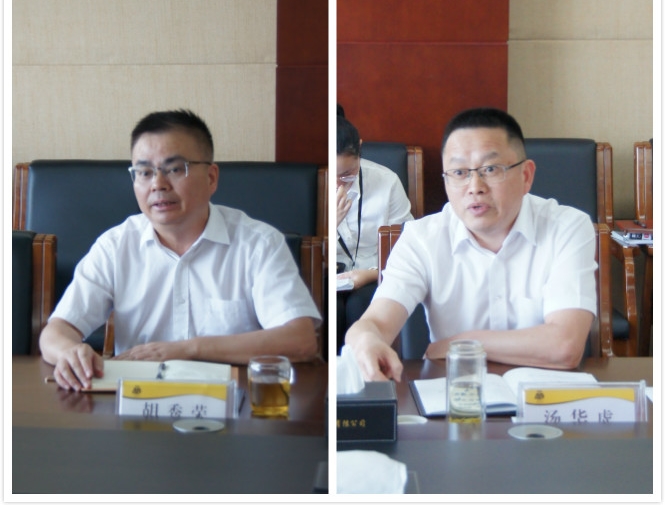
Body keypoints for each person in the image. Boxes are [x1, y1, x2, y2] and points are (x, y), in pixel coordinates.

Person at [40, 109, 321, 390]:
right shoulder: (115, 246)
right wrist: (70, 353)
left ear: (211, 178)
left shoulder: (259, 244)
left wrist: (188, 350)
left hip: (236, 403)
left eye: (175, 169)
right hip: (140, 403)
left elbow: (300, 340)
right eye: (144, 172)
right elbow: (55, 332)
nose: (158, 185)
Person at [345, 107, 597, 381]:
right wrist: (365, 339)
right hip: (457, 396)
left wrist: (461, 344)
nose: (475, 186)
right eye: (459, 172)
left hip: (545, 397)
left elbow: (565, 346)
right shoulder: (421, 238)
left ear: (526, 176)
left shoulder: (567, 227)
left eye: (490, 169)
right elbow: (375, 322)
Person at [336, 111, 413, 354]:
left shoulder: (386, 181)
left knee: (361, 305)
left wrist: (370, 274)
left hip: (376, 271)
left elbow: (405, 243)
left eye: (347, 174)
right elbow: (306, 252)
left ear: (360, 149)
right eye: (334, 176)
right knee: (332, 309)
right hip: (327, 274)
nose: (339, 184)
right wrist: (331, 223)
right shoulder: (317, 185)